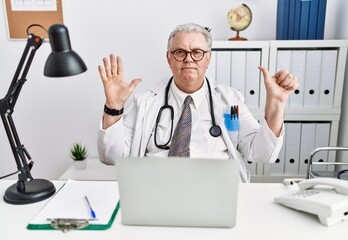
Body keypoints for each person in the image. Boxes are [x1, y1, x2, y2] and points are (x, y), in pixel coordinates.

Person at [97, 23, 298, 182]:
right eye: (180, 52)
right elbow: (111, 156)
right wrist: (113, 107)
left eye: (197, 52)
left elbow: (262, 154)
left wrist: (277, 103)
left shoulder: (230, 104)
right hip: (157, 189)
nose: (188, 59)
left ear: (208, 59)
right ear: (169, 58)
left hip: (216, 191)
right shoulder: (146, 102)